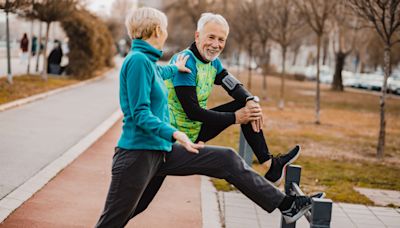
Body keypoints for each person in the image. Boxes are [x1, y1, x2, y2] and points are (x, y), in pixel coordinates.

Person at [95, 7, 317, 228]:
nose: (166, 33)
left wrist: (250, 99)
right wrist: (176, 133)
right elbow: (140, 113)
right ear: (156, 30)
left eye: (221, 39)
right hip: (138, 155)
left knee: (227, 159)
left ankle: (287, 205)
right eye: (164, 28)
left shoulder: (150, 63)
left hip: (162, 150)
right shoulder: (138, 61)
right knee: (116, 219)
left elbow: (160, 74)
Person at [166, 13, 299, 186]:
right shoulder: (185, 61)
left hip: (195, 131)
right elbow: (192, 112)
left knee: (247, 104)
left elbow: (232, 85)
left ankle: (270, 164)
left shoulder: (213, 63)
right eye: (211, 37)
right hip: (173, 136)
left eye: (221, 39)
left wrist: (251, 100)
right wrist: (235, 117)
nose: (216, 45)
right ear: (197, 36)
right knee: (141, 198)